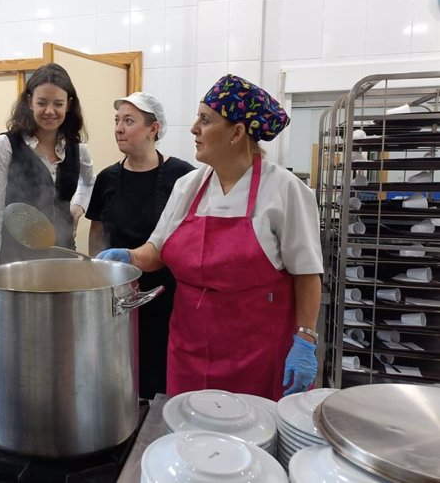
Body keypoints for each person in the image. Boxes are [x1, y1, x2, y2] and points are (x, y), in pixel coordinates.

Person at [97, 74, 323, 401]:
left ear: (237, 132)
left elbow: (307, 272)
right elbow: (156, 250)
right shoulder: (188, 186)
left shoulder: (284, 190)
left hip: (256, 355)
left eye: (205, 120)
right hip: (188, 350)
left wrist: (305, 339)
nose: (193, 128)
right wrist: (129, 257)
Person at [86, 92, 194, 399]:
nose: (119, 128)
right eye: (117, 121)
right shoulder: (107, 178)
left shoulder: (182, 175)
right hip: (118, 298)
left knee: (162, 380)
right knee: (120, 379)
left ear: (153, 129)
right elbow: (97, 231)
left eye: (129, 121)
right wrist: (97, 271)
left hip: (166, 298)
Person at [0, 63, 95, 269]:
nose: (50, 111)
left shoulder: (78, 149)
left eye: (58, 104)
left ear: (68, 105)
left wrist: (77, 208)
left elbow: (88, 183)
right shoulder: (5, 146)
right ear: (29, 101)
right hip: (15, 262)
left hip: (63, 258)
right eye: (42, 102)